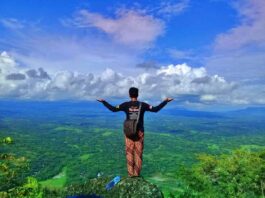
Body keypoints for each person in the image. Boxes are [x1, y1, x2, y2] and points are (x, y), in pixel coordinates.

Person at [97, 87, 173, 177]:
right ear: (138, 94)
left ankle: (130, 174)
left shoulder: (125, 105)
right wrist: (166, 101)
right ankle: (136, 175)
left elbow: (113, 109)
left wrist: (104, 102)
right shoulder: (143, 105)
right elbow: (155, 109)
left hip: (128, 132)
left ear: (129, 95)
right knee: (138, 153)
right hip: (139, 132)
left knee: (129, 153)